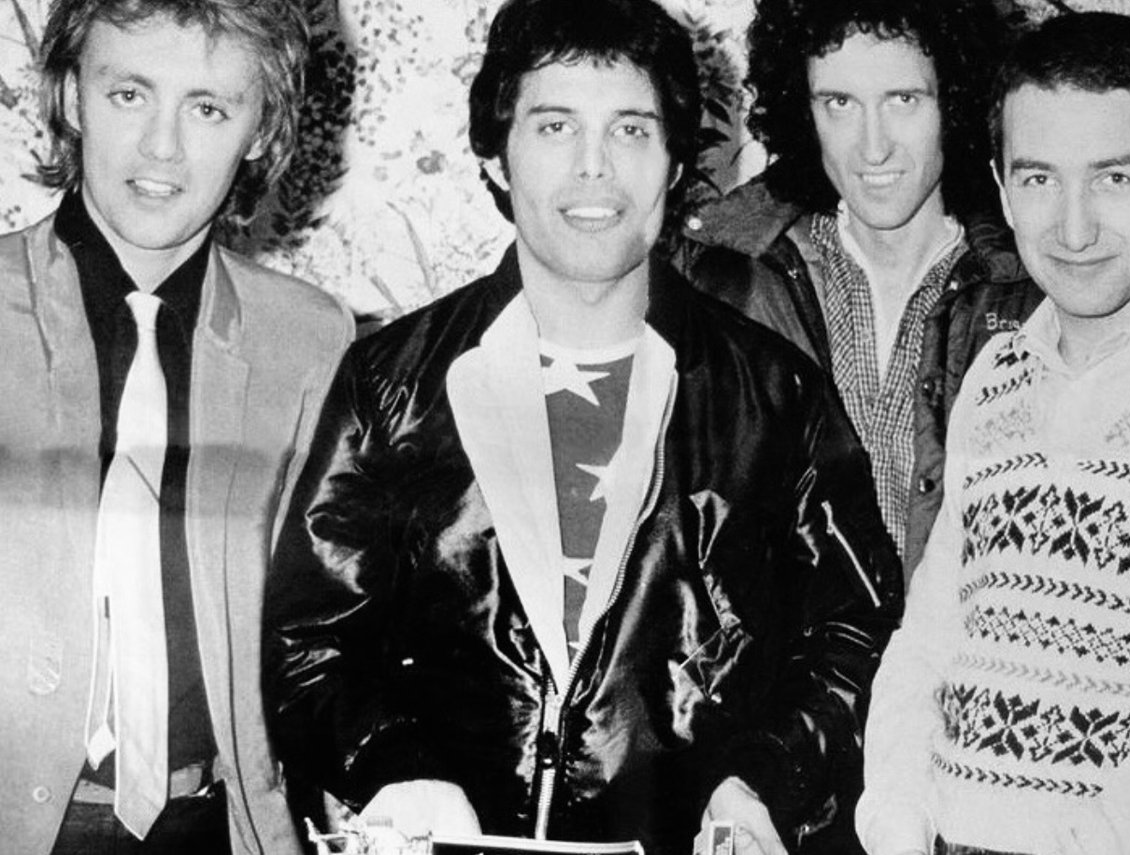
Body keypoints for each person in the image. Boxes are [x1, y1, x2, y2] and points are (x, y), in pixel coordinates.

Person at [262, 0, 903, 854]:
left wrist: (761, 782)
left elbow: (853, 628)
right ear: (495, 156)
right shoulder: (391, 384)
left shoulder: (775, 393)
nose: (594, 167)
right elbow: (308, 638)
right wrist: (396, 770)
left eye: (631, 130)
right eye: (556, 126)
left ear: (677, 161)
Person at [0, 0, 354, 852]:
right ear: (72, 98)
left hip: (217, 826)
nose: (162, 147)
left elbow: (331, 622)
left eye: (208, 109)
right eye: (129, 94)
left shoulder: (312, 340)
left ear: (261, 131)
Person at [857, 11, 1130, 855]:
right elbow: (931, 635)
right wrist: (897, 820)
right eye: (1040, 179)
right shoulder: (993, 375)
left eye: (1115, 178)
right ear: (1003, 190)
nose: (1073, 229)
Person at [679, 0, 1043, 581]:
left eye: (903, 100)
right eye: (840, 103)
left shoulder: (1032, 292)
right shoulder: (725, 280)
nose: (874, 148)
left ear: (956, 101)